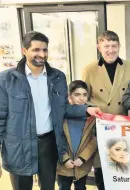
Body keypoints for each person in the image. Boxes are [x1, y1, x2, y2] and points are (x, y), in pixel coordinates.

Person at [0, 31, 101, 190]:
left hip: (49, 143)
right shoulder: (6, 79)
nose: (41, 54)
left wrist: (88, 110)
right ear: (24, 50)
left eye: (45, 50)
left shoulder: (57, 77)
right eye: (36, 50)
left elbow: (63, 109)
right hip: (18, 146)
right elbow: (1, 117)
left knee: (48, 187)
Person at [82, 30, 130, 190]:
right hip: (100, 129)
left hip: (123, 129)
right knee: (102, 171)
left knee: (124, 171)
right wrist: (91, 109)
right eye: (106, 46)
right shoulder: (89, 69)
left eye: (114, 46)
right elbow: (82, 99)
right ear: (99, 47)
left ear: (119, 46)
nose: (110, 50)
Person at [56, 80, 97, 190]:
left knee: (81, 187)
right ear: (69, 96)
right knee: (63, 187)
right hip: (63, 163)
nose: (81, 98)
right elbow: (56, 138)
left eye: (84, 95)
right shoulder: (61, 114)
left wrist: (83, 158)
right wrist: (64, 158)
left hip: (82, 163)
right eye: (77, 95)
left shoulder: (92, 115)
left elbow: (94, 140)